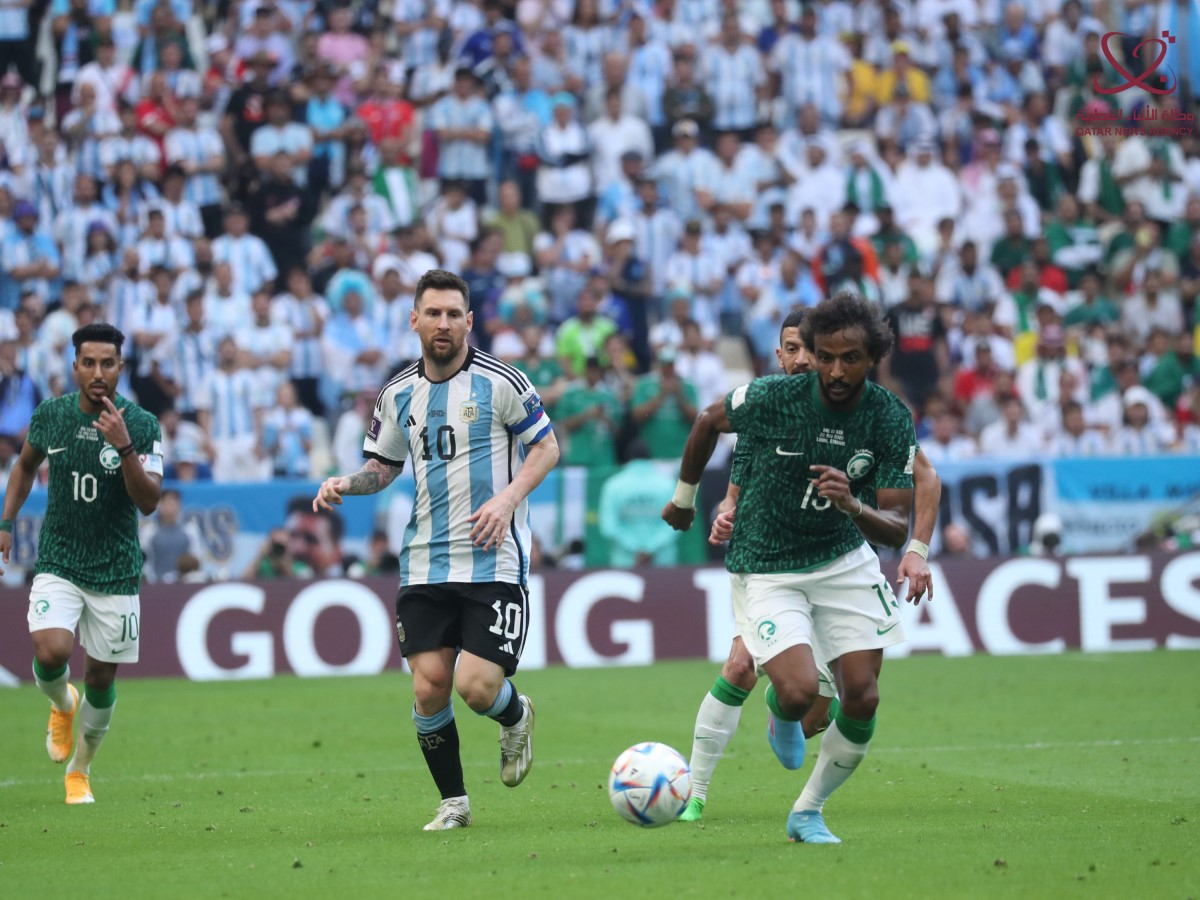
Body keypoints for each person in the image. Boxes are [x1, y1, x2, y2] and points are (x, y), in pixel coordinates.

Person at [662, 292, 919, 844]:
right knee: (793, 692)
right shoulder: (775, 398)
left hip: (842, 559)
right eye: (824, 356)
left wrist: (853, 506)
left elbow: (897, 526)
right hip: (768, 562)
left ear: (872, 357)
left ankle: (808, 811)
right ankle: (712, 775)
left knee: (862, 696)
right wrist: (686, 500)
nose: (834, 370)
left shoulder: (890, 417)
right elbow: (708, 421)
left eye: (849, 358)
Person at [312, 269, 560, 831]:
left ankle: (515, 714)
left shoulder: (502, 381)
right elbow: (383, 466)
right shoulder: (397, 393)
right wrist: (347, 482)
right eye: (433, 313)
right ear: (414, 321)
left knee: (476, 687)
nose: (443, 324)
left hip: (492, 558)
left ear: (469, 322)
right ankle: (454, 803)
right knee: (429, 688)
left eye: (453, 314)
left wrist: (507, 500)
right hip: (425, 560)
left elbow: (546, 449)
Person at [0, 324, 163, 804]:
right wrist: (5, 523)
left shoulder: (142, 424)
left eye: (107, 364)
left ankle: (80, 771)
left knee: (100, 678)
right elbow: (24, 466)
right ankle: (61, 702)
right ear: (74, 367)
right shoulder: (51, 415)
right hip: (60, 558)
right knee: (51, 652)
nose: (97, 373)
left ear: (120, 368)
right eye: (88, 363)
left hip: (116, 569)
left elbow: (149, 502)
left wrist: (124, 445)